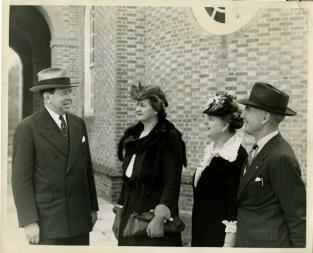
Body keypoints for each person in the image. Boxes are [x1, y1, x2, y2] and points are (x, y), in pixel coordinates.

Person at [11, 67, 99, 245]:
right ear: (47, 97)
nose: (70, 97)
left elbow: (86, 170)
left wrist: (92, 208)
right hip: (48, 222)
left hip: (79, 219)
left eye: (70, 92)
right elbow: (21, 180)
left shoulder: (78, 124)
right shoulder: (28, 128)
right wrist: (28, 221)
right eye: (63, 93)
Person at [112, 82, 187, 246]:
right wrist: (119, 214)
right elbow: (127, 181)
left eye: (142, 105)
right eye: (137, 105)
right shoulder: (135, 136)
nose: (137, 109)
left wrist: (159, 218)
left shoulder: (168, 137)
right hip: (130, 213)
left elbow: (172, 182)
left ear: (155, 109)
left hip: (151, 215)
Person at [235, 82, 306, 247]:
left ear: (265, 118)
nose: (242, 114)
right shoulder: (258, 149)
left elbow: (297, 218)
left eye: (249, 110)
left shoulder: (281, 157)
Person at [191, 92, 247, 247]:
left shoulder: (235, 155)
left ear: (226, 124)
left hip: (217, 236)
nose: (205, 123)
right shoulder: (211, 150)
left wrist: (228, 244)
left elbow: (234, 203)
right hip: (201, 230)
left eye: (210, 119)